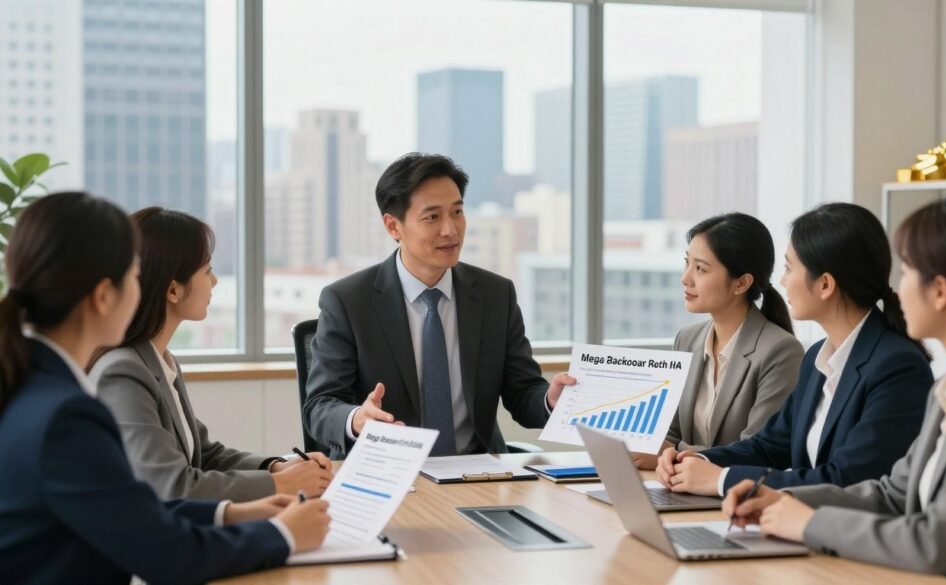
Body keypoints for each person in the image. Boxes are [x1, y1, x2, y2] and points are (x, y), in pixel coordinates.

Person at [0, 192, 329, 584]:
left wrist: (230, 513)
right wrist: (283, 534)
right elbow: (168, 554)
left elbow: (125, 508)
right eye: (133, 277)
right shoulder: (65, 417)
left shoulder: (31, 386)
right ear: (103, 296)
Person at [723, 194, 946, 583]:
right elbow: (891, 495)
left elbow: (935, 543)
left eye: (908, 271)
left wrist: (808, 523)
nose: (897, 287)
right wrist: (784, 500)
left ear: (940, 291)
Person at [303, 153, 575, 457]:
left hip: (477, 471)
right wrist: (356, 419)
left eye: (457, 212)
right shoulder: (348, 301)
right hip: (387, 470)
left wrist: (549, 400)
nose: (450, 229)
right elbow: (320, 406)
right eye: (432, 217)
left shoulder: (496, 295)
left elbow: (522, 392)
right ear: (393, 226)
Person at [656, 202, 933, 496]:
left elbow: (846, 479)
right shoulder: (818, 358)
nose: (783, 281)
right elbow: (770, 446)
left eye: (789, 268)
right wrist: (695, 461)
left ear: (825, 285)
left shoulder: (897, 367)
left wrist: (721, 480)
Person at [90, 207, 333, 501]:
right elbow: (172, 487)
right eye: (207, 271)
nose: (214, 281)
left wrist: (276, 467)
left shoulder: (159, 360)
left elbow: (205, 455)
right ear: (173, 290)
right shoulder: (123, 372)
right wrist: (280, 485)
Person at [636, 213, 803, 469]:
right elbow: (672, 431)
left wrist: (675, 452)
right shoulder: (687, 339)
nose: (685, 278)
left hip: (736, 489)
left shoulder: (780, 351)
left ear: (741, 283)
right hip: (681, 484)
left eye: (700, 268)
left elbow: (757, 451)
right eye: (687, 263)